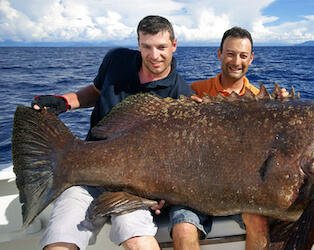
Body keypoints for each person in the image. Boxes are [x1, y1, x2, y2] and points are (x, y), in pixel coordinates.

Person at [31, 15, 193, 250]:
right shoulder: (116, 59)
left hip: (135, 189)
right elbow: (96, 90)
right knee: (60, 238)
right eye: (146, 46)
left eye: (162, 47)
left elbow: (181, 159)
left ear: (174, 45)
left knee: (138, 239)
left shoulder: (182, 96)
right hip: (86, 174)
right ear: (138, 44)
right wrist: (64, 102)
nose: (154, 55)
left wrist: (166, 193)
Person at [170, 27, 288, 250]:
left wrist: (284, 107)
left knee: (258, 221)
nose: (236, 61)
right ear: (219, 54)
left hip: (239, 191)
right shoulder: (194, 90)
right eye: (230, 53)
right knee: (183, 228)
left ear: (251, 58)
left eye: (243, 55)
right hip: (193, 186)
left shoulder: (262, 102)